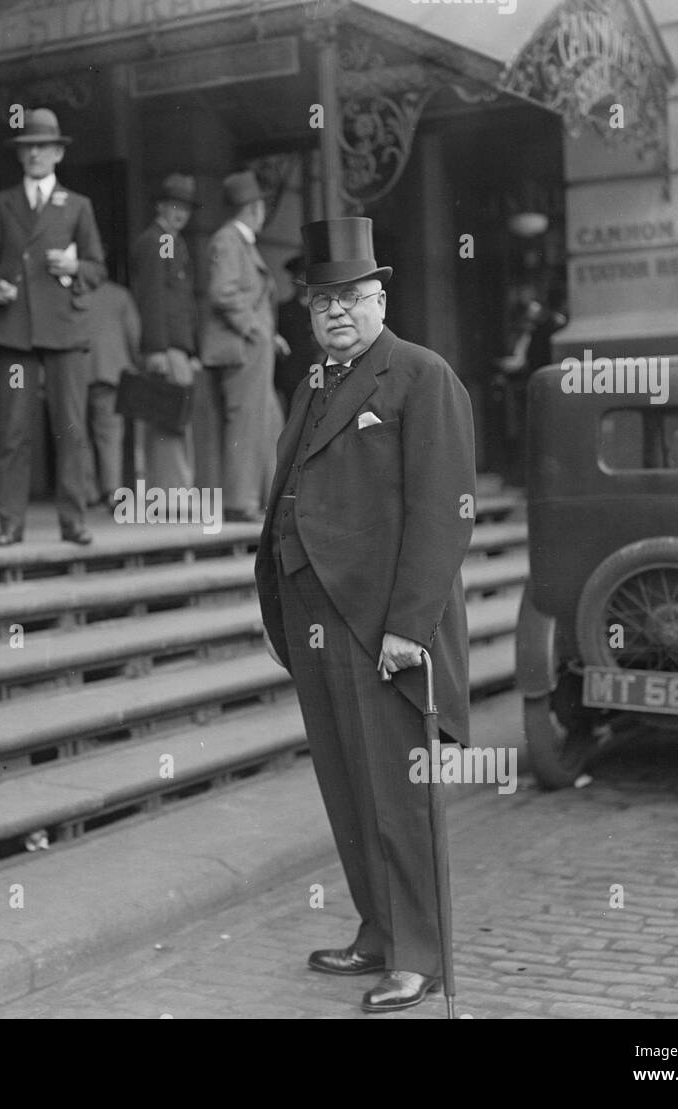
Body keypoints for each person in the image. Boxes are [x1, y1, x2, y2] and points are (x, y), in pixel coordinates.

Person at [254, 217, 476, 1013]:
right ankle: (379, 933)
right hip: (313, 612)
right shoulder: (313, 384)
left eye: (352, 297)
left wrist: (409, 627)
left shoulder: (422, 376)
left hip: (381, 621)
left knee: (397, 791)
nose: (336, 313)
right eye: (322, 301)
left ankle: (420, 955)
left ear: (381, 297)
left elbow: (445, 513)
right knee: (348, 787)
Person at [0, 107, 107, 547]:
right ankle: (9, 522)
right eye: (28, 148)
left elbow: (97, 267)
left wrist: (73, 265)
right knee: (12, 429)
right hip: (16, 329)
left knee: (70, 426)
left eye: (43, 148)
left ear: (57, 154)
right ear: (20, 155)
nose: (35, 155)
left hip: (64, 328)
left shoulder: (78, 205)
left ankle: (74, 520)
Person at [199, 170, 287, 523]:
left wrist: (268, 334)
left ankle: (268, 497)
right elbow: (223, 292)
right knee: (248, 422)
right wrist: (255, 329)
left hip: (251, 346)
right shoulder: (228, 241)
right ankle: (240, 502)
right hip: (241, 348)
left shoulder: (238, 242)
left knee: (268, 421)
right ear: (254, 208)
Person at [128, 172, 200, 490]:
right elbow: (153, 296)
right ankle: (170, 496)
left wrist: (189, 349)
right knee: (169, 421)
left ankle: (173, 493)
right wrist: (156, 348)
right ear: (160, 206)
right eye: (174, 205)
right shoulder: (158, 241)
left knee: (173, 419)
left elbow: (177, 300)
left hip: (176, 346)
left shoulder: (171, 242)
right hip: (166, 346)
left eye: (185, 206)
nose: (181, 212)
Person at [82, 279, 139, 509]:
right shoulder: (120, 295)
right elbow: (133, 334)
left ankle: (87, 492)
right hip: (110, 370)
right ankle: (112, 492)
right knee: (110, 434)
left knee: (77, 433)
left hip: (77, 368)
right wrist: (135, 362)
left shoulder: (73, 293)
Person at [274, 254, 318, 416]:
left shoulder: (322, 309)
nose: (304, 284)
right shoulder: (283, 311)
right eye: (300, 279)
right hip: (293, 379)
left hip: (317, 372)